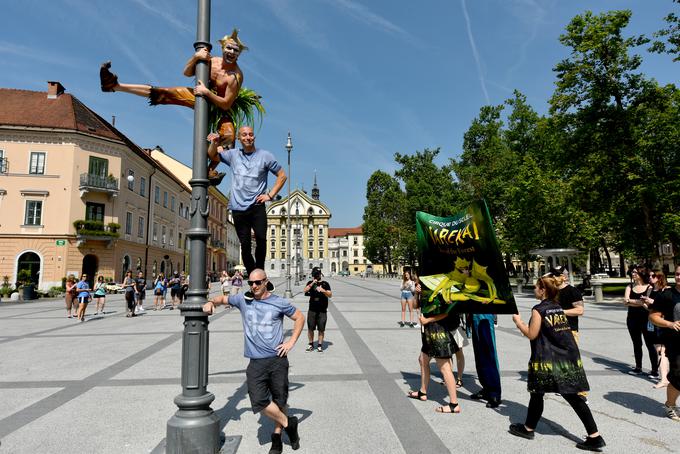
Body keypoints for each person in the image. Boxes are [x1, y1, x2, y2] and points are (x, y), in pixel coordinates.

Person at [99, 30, 262, 185]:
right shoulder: (212, 61)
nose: (232, 52)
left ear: (239, 54)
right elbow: (186, 72)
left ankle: (209, 169)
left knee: (226, 143)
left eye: (235, 50)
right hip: (202, 95)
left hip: (221, 108)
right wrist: (196, 56)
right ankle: (115, 86)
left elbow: (226, 102)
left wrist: (206, 92)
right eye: (229, 48)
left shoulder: (235, 76)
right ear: (223, 47)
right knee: (165, 92)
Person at [204, 269, 305, 453]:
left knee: (280, 400)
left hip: (277, 359)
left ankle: (276, 438)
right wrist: (211, 302)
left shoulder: (278, 302)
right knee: (258, 401)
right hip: (256, 362)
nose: (254, 286)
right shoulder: (244, 300)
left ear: (266, 281)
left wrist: (291, 342)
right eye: (250, 283)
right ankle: (289, 423)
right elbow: (222, 299)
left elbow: (299, 317)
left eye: (258, 282)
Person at [510, 275, 606, 451]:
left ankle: (528, 429)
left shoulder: (539, 309)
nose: (534, 290)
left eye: (536, 287)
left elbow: (532, 334)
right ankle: (594, 436)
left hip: (547, 359)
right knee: (570, 396)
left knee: (538, 393)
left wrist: (518, 322)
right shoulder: (557, 308)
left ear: (543, 290)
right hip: (566, 357)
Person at [208, 126, 286, 276]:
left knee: (262, 240)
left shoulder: (265, 156)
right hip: (238, 208)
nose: (248, 137)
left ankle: (260, 273)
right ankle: (252, 276)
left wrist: (270, 195)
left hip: (257, 206)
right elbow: (212, 155)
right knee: (245, 244)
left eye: (250, 134)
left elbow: (282, 176)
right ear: (239, 138)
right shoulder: (232, 155)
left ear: (254, 137)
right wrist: (214, 142)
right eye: (244, 135)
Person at [649, 265, 680, 421]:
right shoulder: (667, 295)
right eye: (677, 274)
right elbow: (653, 317)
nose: (679, 277)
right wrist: (670, 324)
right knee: (678, 376)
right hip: (675, 343)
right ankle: (670, 404)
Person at [624, 266, 658, 376]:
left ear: (641, 274)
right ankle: (638, 367)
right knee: (636, 343)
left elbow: (646, 303)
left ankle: (654, 370)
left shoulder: (649, 287)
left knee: (650, 344)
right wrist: (638, 302)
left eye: (635, 272)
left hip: (646, 319)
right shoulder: (629, 286)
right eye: (632, 272)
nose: (633, 274)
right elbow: (625, 302)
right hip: (632, 319)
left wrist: (631, 301)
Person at [468, 313, 502, 408]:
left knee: (489, 355)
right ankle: (486, 389)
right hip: (475, 316)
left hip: (485, 317)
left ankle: (495, 393)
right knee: (479, 356)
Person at [644, 270, 671, 388]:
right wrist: (644, 302)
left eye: (653, 275)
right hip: (652, 323)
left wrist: (653, 302)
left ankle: (664, 378)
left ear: (660, 277)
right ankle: (665, 377)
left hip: (664, 323)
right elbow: (650, 309)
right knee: (658, 350)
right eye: (649, 275)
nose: (650, 277)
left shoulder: (666, 290)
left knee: (662, 351)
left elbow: (668, 307)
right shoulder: (650, 290)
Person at [303, 267, 332, 352]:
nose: (316, 275)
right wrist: (312, 283)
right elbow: (304, 290)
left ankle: (319, 345)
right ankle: (311, 344)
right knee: (310, 328)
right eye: (315, 274)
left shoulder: (325, 283)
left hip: (322, 310)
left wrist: (323, 290)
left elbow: (330, 295)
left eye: (318, 274)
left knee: (321, 329)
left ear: (320, 274)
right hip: (312, 310)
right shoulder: (310, 283)